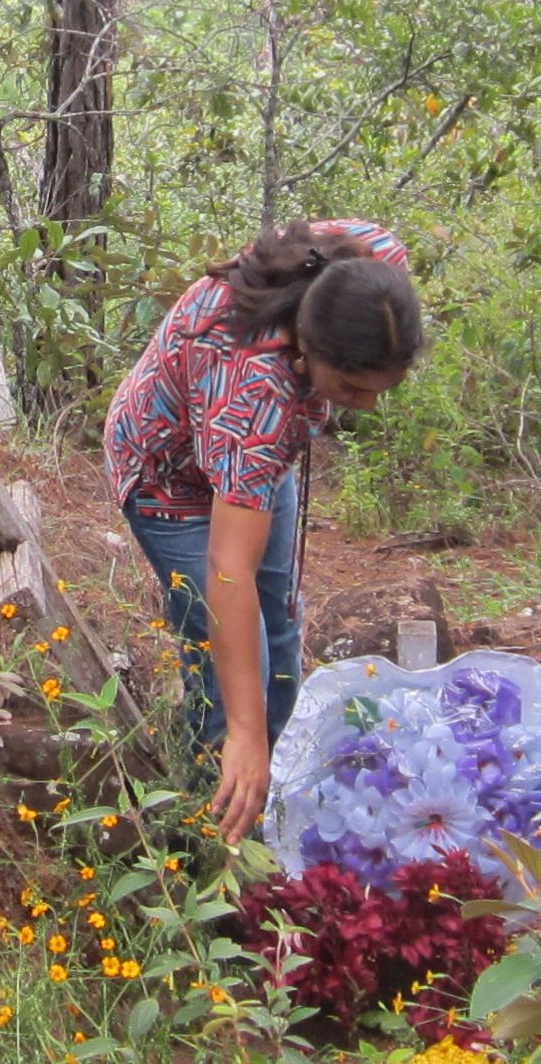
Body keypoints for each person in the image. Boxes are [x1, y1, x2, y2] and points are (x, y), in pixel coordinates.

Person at [102, 220, 427, 841]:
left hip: (251, 461)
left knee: (279, 631)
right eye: (350, 388)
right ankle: (214, 838)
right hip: (170, 479)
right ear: (308, 348)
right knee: (228, 677)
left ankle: (276, 805)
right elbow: (229, 572)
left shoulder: (371, 270)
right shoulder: (253, 394)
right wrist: (247, 733)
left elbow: (353, 242)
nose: (364, 405)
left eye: (382, 387)